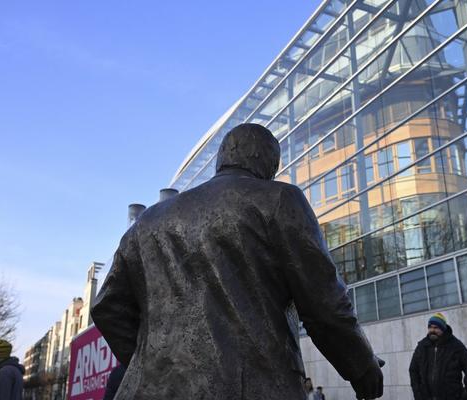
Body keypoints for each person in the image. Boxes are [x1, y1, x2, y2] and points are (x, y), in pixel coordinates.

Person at [91, 123, 383, 399]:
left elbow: (108, 307)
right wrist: (362, 367)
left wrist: (157, 363)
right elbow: (324, 303)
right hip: (247, 386)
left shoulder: (148, 221)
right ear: (268, 164)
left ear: (222, 160)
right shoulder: (278, 200)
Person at [408, 313, 467, 400]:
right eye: (430, 327)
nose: (432, 330)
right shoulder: (422, 346)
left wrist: (464, 396)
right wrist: (418, 394)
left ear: (443, 328)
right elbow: (413, 370)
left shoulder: (456, 346)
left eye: (436, 327)